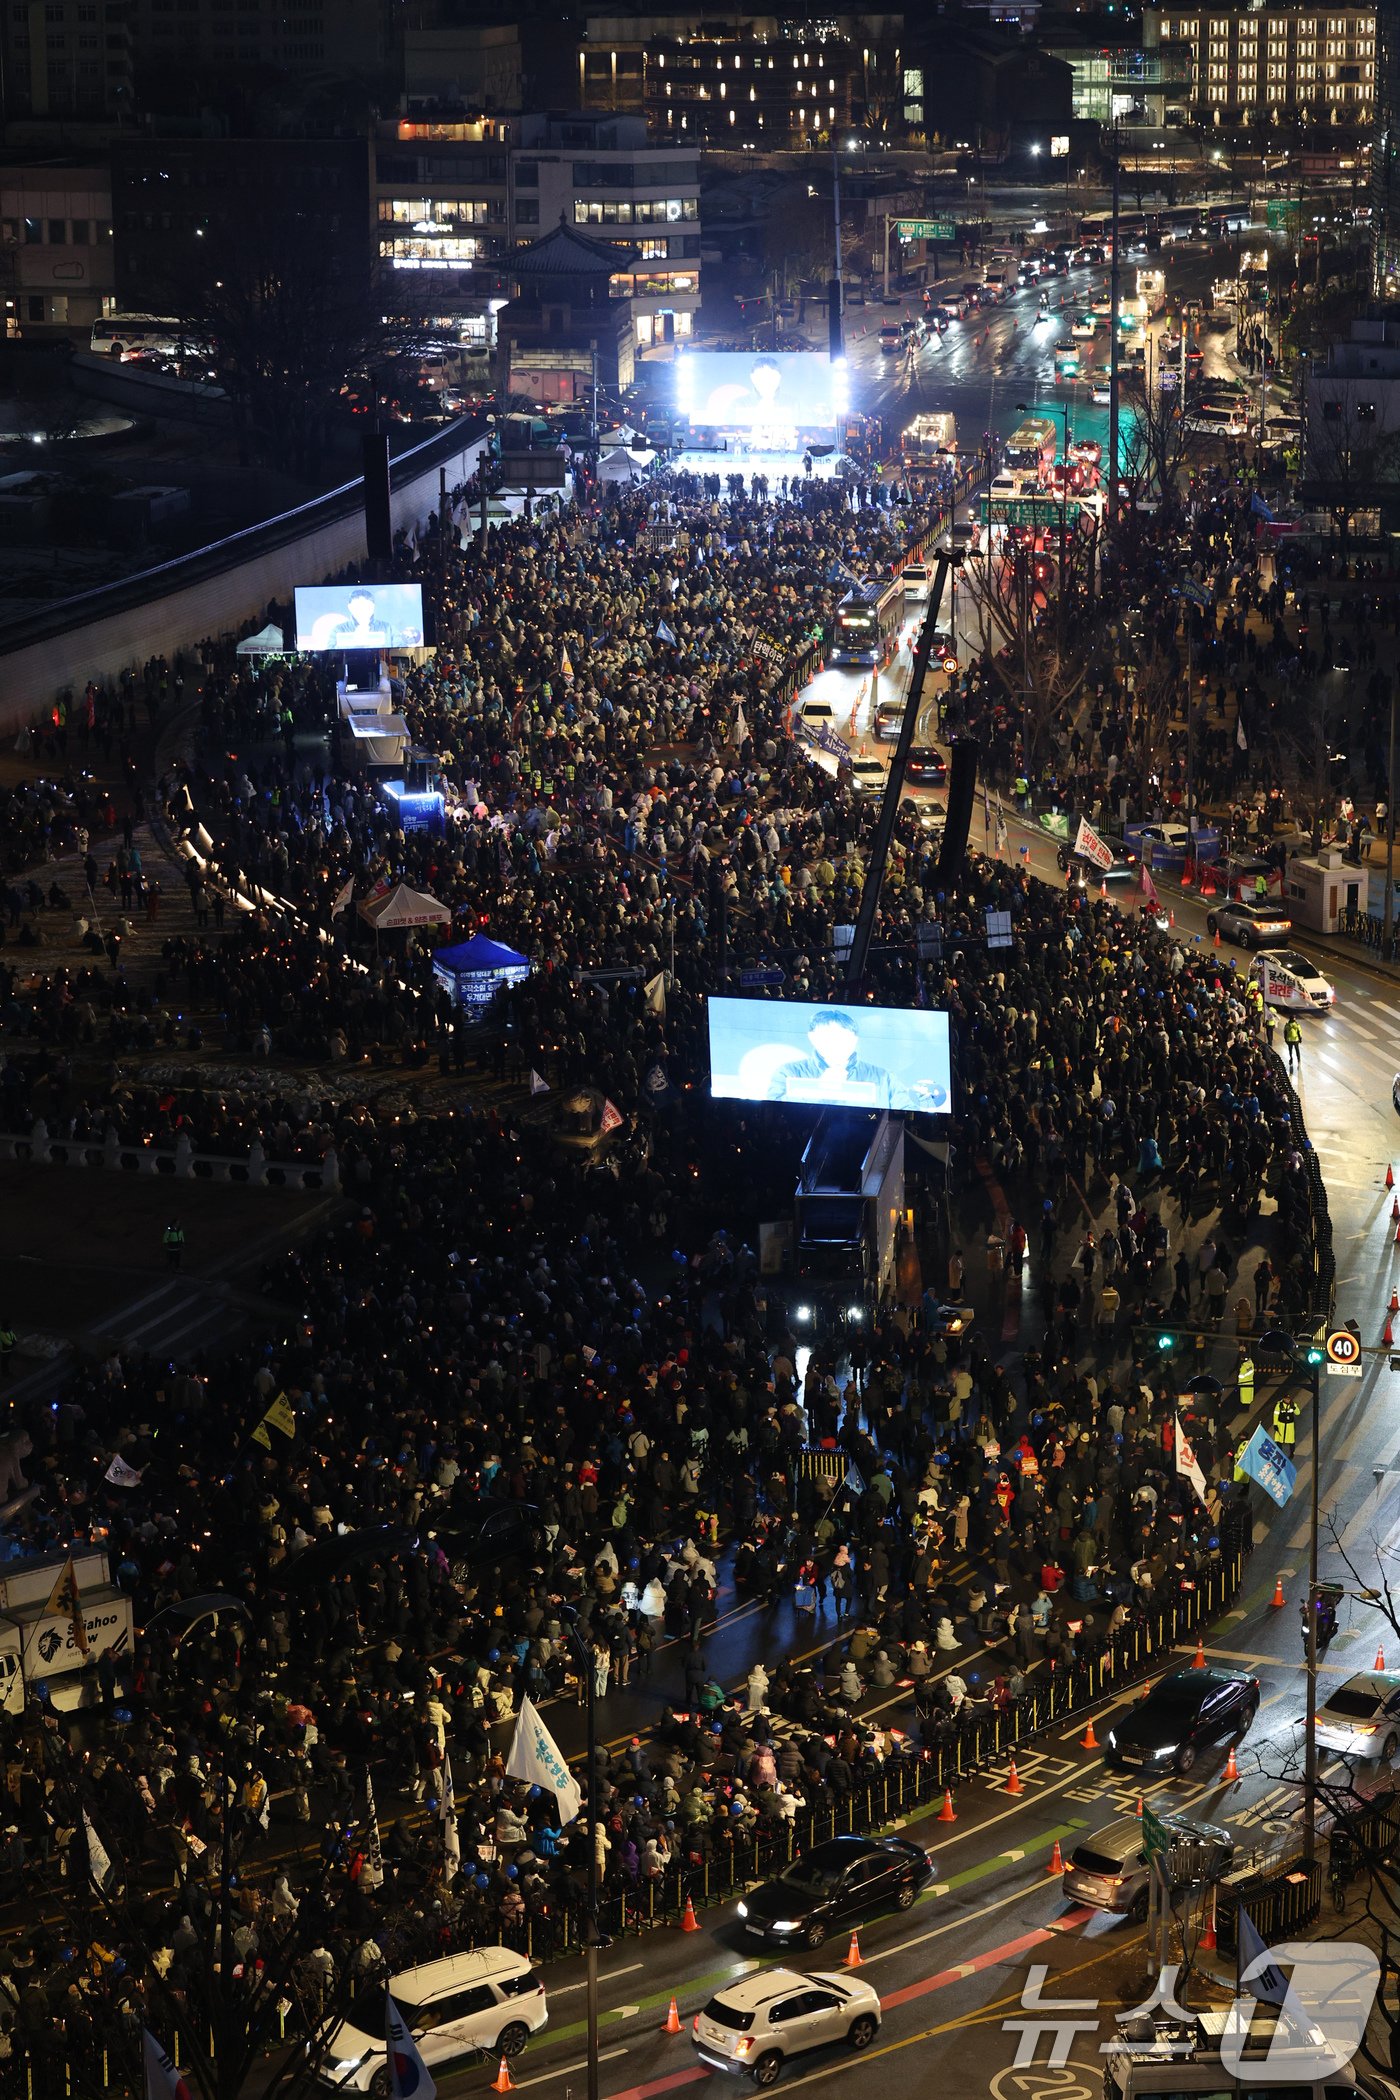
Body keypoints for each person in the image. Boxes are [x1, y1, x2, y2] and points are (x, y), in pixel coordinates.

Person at [766, 1009, 896, 1108]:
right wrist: (818, 1090)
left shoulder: (884, 1076)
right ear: (812, 1037)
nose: (836, 1042)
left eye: (843, 1036)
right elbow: (773, 1110)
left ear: (855, 1040)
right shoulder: (788, 1072)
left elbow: (905, 1111)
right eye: (827, 1035)